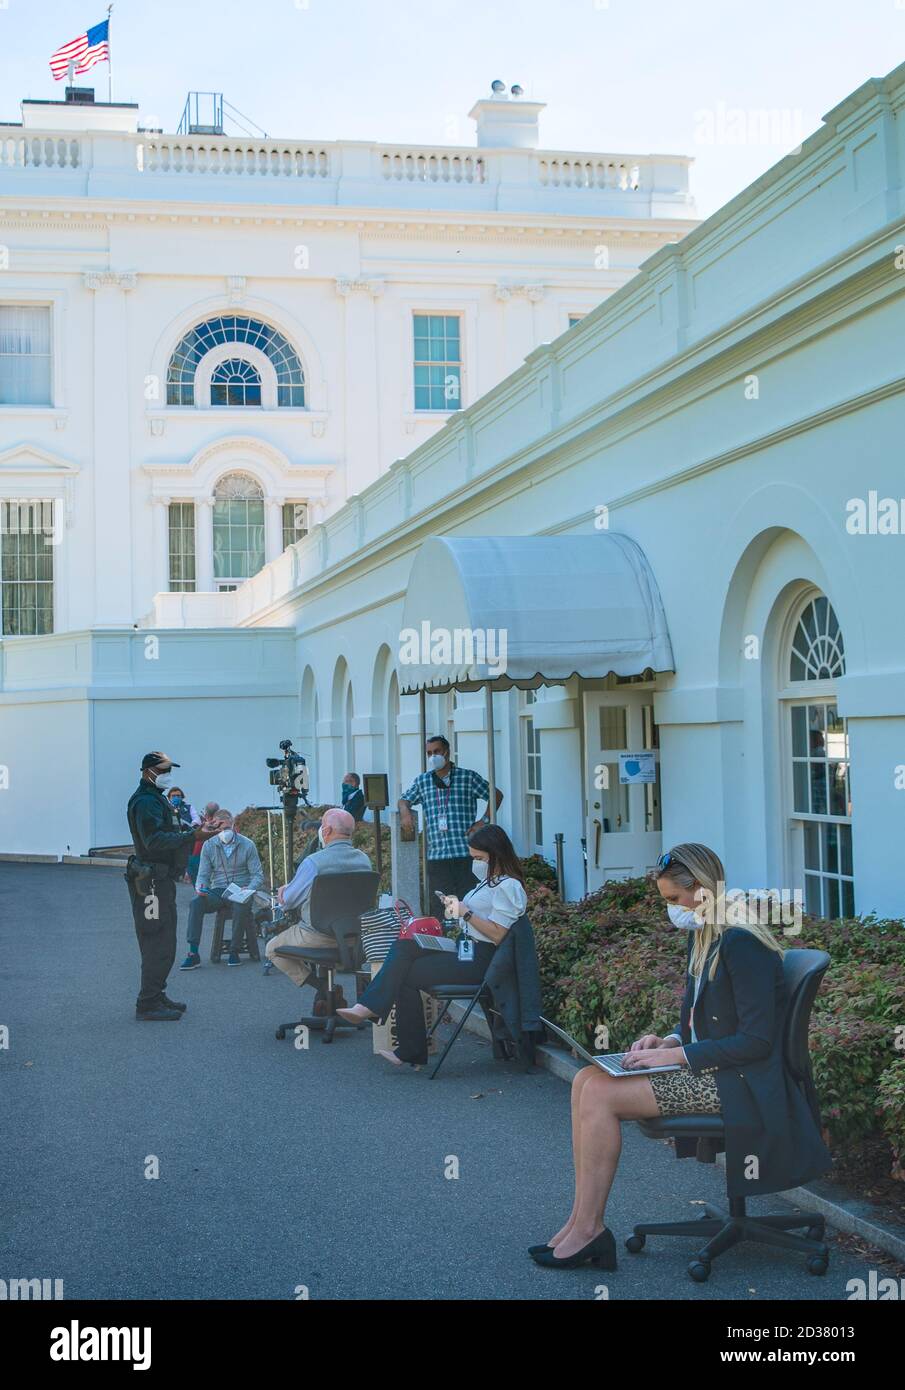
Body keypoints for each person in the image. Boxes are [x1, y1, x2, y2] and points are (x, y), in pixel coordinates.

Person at [529, 843, 832, 1270]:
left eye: (674, 899)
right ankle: (580, 1221)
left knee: (599, 1094)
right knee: (585, 1081)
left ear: (702, 890)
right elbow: (706, 1020)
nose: (672, 910)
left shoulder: (740, 943)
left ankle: (589, 1231)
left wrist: (680, 1058)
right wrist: (668, 1042)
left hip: (744, 1084)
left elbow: (757, 1042)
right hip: (723, 1072)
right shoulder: (707, 934)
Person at [337, 824, 527, 1067]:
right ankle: (374, 1014)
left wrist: (466, 913)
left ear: (495, 854)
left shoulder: (509, 886)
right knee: (406, 946)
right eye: (473, 858)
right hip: (466, 948)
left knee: (404, 973)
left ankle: (381, 1020)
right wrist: (454, 906)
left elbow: (499, 934)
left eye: (479, 858)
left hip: (482, 961)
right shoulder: (488, 882)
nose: (475, 863)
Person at [125, 751, 218, 1021]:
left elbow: (168, 832)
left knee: (165, 939)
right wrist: (192, 835)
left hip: (159, 879)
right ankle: (148, 1002)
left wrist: (195, 831)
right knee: (155, 939)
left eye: (168, 770)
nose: (167, 775)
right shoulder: (144, 802)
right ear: (148, 771)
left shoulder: (156, 799)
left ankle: (156, 993)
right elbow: (153, 841)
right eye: (163, 770)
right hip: (150, 883)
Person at [265, 806, 372, 989]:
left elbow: (289, 901)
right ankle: (327, 996)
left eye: (322, 825)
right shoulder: (364, 860)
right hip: (355, 937)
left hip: (316, 936)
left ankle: (323, 990)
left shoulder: (313, 862)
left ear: (327, 830)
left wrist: (285, 890)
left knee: (271, 949)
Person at [398, 735, 503, 916]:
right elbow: (404, 800)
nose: (433, 756)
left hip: (465, 853)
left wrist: (483, 821)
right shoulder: (423, 781)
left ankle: (466, 938)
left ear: (447, 752)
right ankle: (444, 940)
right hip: (438, 855)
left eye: (437, 751)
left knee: (468, 902)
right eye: (429, 753)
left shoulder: (467, 777)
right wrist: (405, 814)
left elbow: (496, 795)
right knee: (442, 906)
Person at [180, 812, 264, 969]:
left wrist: (249, 888)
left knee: (240, 906)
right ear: (214, 827)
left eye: (227, 826)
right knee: (196, 903)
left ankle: (234, 950)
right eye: (220, 827)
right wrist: (201, 888)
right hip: (218, 890)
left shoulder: (248, 844)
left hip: (241, 890)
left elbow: (258, 875)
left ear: (233, 825)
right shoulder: (209, 845)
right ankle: (193, 953)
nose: (224, 830)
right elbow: (203, 875)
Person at [186, 801, 220, 886]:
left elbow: (196, 849)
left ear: (206, 815)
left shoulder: (201, 829)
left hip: (198, 860)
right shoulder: (224, 828)